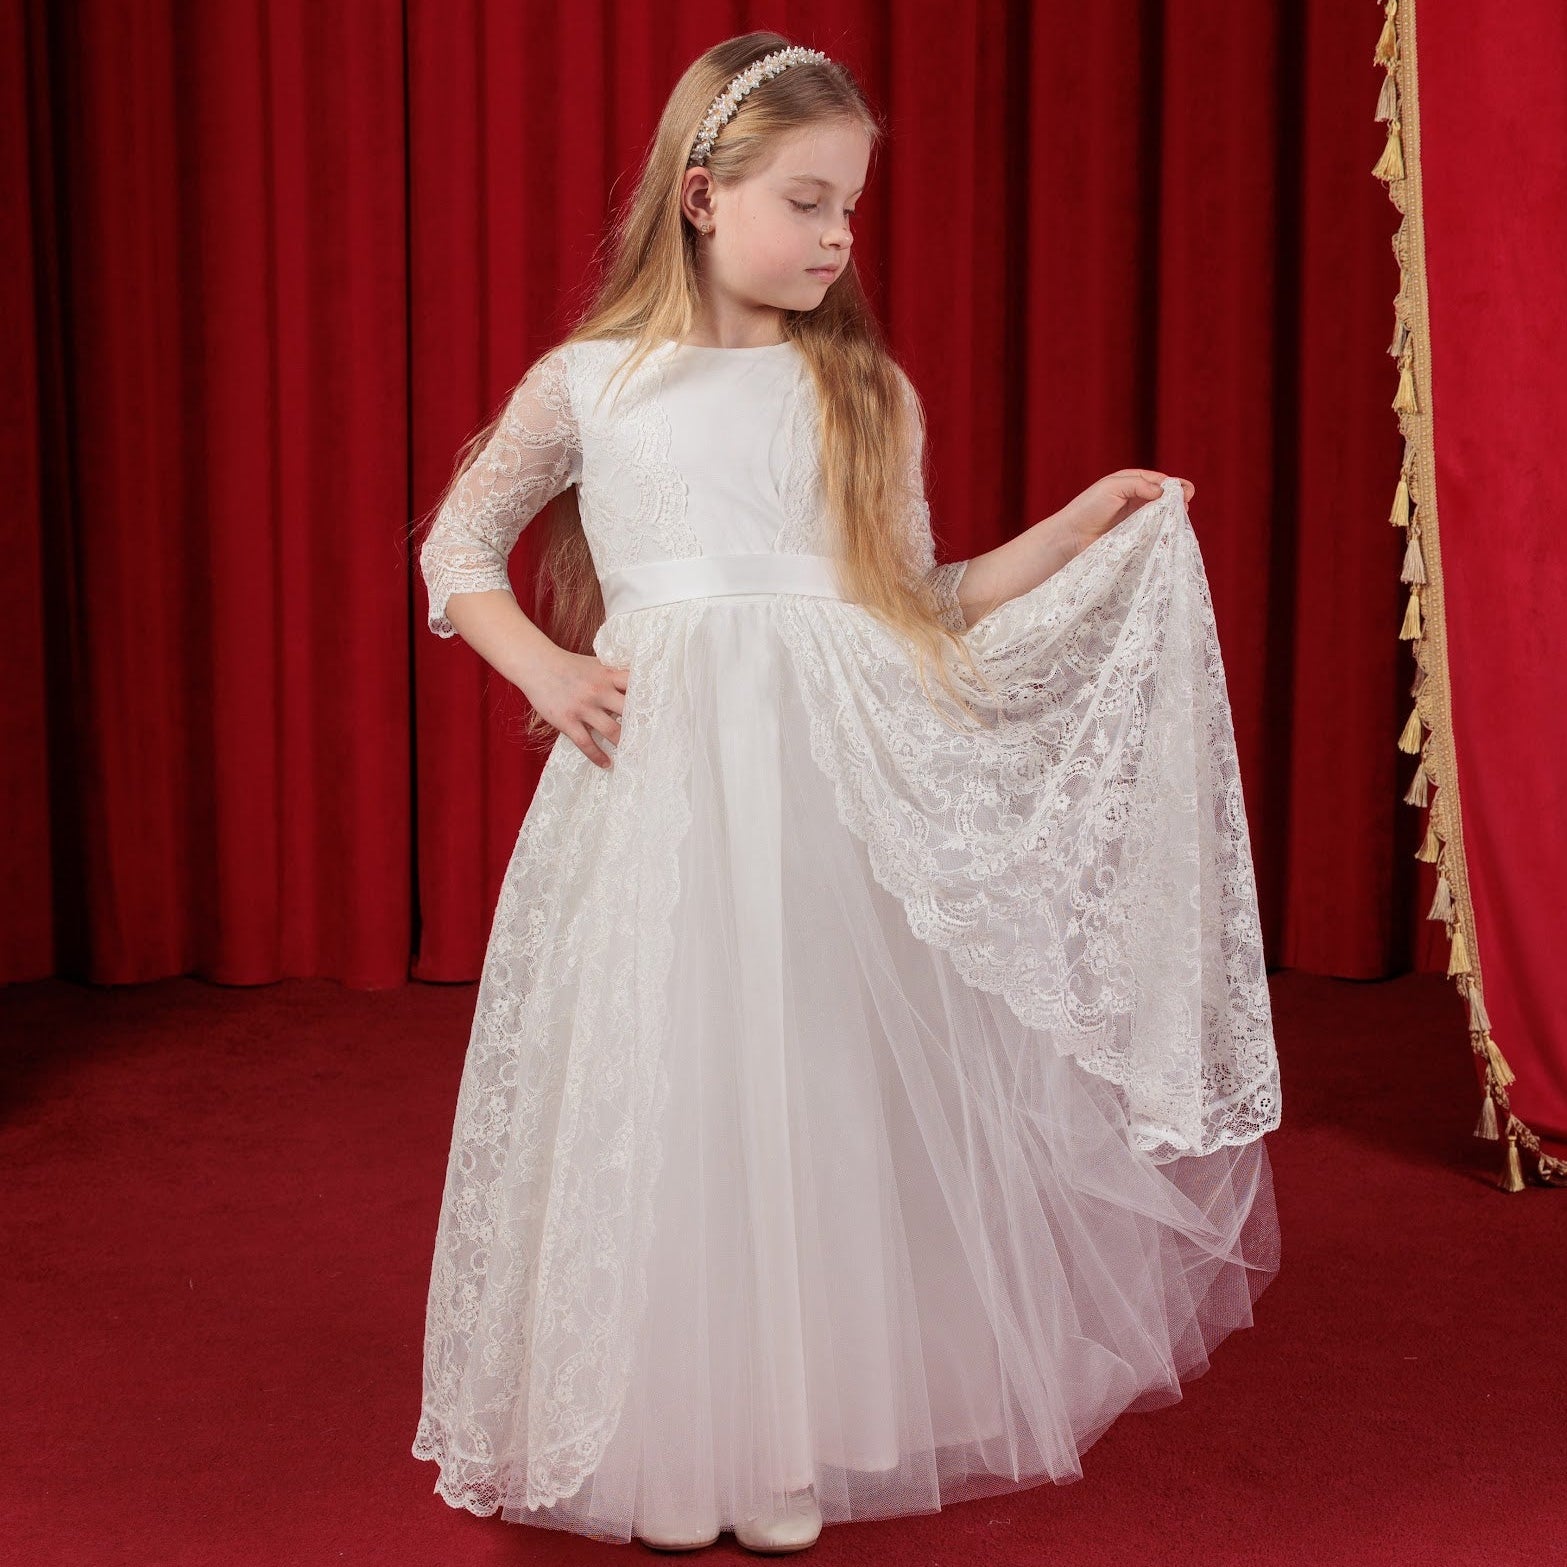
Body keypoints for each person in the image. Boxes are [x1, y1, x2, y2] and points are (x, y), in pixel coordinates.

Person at [410, 32, 1282, 1556]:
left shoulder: (864, 390)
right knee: (671, 1086)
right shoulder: (595, 383)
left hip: (825, 799)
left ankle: (791, 1434)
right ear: (702, 196)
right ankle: (674, 1440)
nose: (838, 239)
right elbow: (457, 546)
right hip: (660, 798)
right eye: (807, 203)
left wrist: (1075, 531)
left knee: (810, 1089)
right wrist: (544, 668)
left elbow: (915, 606)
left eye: (852, 210)